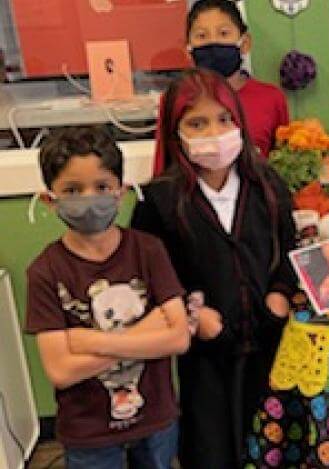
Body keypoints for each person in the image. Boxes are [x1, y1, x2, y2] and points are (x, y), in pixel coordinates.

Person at [130, 68, 298, 468]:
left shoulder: (268, 186)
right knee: (212, 450)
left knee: (274, 441)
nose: (214, 132)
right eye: (197, 123)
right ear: (176, 132)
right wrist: (192, 311)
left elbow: (290, 248)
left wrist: (279, 293)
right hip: (206, 354)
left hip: (270, 341)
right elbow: (152, 277)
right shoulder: (159, 201)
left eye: (224, 120)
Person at [25, 127, 191, 468]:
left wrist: (85, 340)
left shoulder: (148, 250)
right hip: (88, 433)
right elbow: (60, 370)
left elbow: (178, 337)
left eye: (102, 187)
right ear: (49, 198)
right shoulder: (45, 271)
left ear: (121, 192)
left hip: (156, 421)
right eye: (72, 189)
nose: (90, 198)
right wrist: (146, 332)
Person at [152, 0, 289, 174]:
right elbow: (163, 166)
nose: (213, 42)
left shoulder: (271, 98)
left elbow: (283, 168)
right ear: (188, 48)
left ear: (245, 43)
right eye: (202, 36)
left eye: (224, 33)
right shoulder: (175, 99)